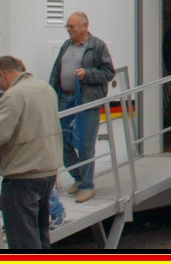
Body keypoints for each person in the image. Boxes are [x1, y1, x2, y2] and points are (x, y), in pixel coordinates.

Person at [48, 12, 115, 204]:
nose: (68, 30)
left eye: (72, 26)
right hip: (65, 99)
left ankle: (87, 186)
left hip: (87, 101)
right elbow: (56, 70)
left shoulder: (97, 46)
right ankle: (78, 178)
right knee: (63, 143)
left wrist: (87, 74)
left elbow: (108, 73)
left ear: (85, 26)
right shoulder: (66, 45)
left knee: (86, 145)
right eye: (67, 26)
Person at [0, 56, 62, 249]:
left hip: (22, 176)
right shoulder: (45, 88)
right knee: (40, 234)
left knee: (22, 240)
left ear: (1, 75)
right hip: (47, 172)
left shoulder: (14, 95)